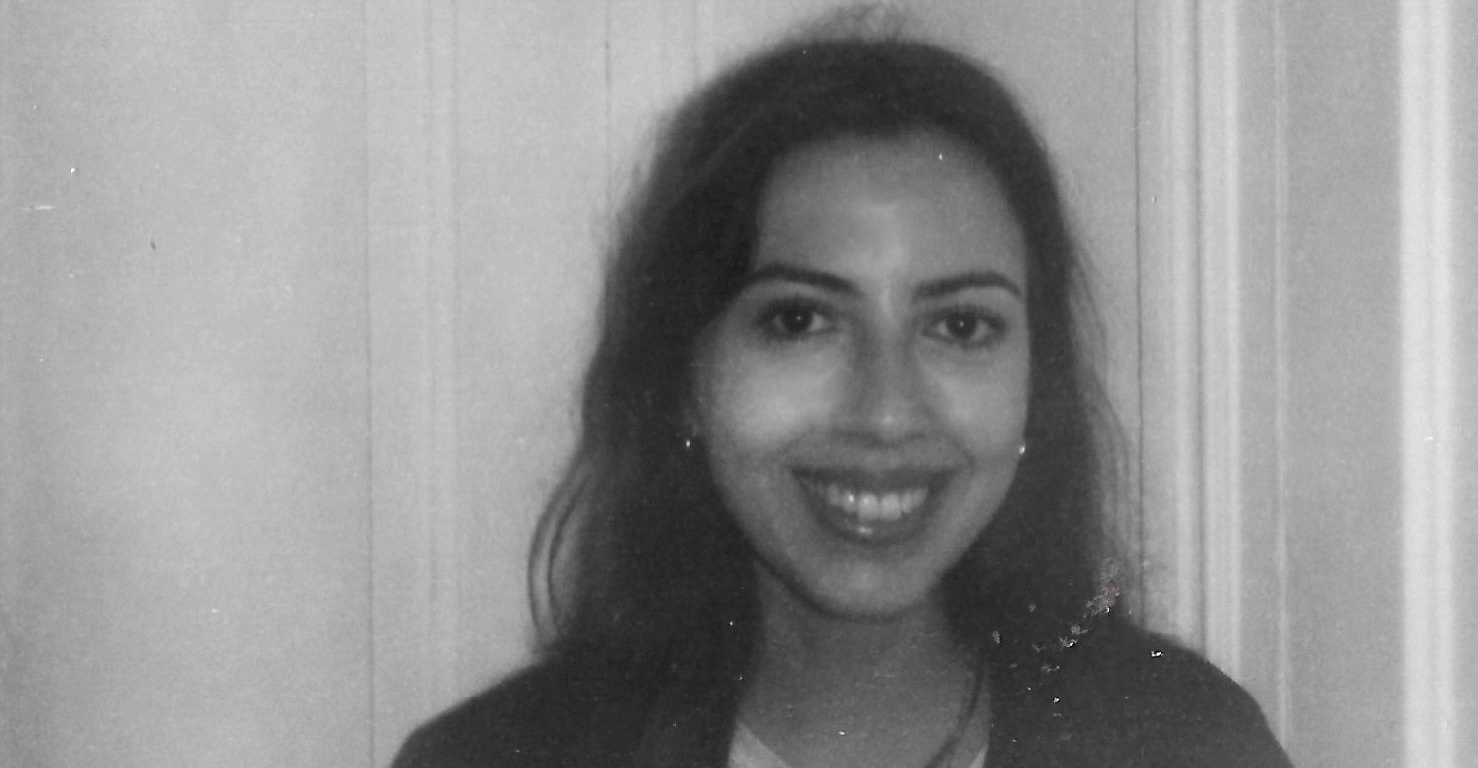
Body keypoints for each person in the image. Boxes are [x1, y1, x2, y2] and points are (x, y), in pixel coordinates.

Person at [394, 22, 1291, 768]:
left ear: (1034, 383)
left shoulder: (1187, 745)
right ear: (684, 379)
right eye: (800, 321)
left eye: (961, 326)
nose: (887, 411)